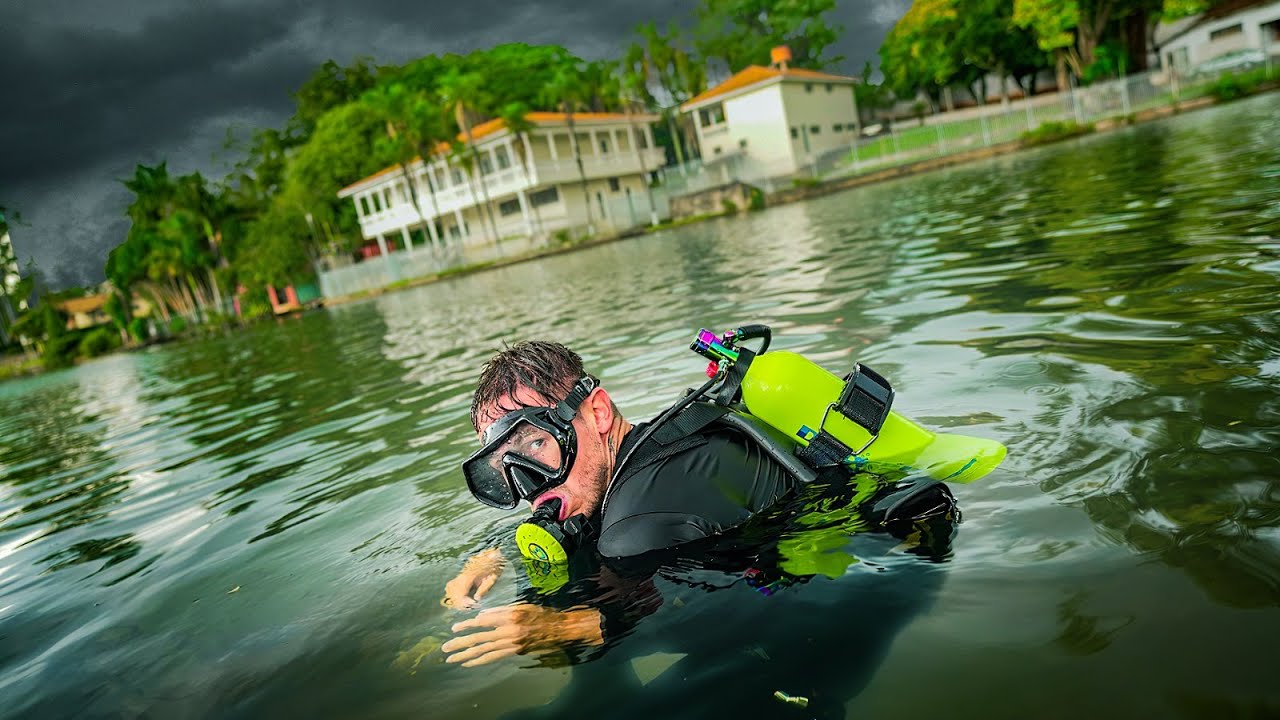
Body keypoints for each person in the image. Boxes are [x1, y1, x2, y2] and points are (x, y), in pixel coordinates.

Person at [440, 340, 957, 668]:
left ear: (596, 412)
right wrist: (493, 555)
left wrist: (564, 627)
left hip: (844, 617)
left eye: (536, 445)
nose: (529, 484)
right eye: (506, 467)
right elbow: (566, 518)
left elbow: (720, 613)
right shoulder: (651, 448)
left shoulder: (636, 527)